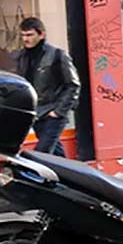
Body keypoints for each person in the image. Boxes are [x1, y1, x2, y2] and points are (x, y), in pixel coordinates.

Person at [15, 17, 80, 157]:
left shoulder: (57, 55)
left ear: (41, 35)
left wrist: (58, 111)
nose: (25, 39)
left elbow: (73, 85)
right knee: (55, 154)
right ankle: (66, 171)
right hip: (35, 113)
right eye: (23, 35)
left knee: (41, 153)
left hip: (53, 112)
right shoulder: (21, 57)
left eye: (30, 35)